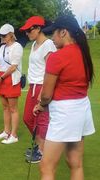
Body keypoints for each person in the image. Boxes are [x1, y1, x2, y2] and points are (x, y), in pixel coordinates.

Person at [33, 15, 95, 180]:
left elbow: (46, 95)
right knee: (75, 162)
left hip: (64, 113)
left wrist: (41, 105)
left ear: (63, 32)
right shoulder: (84, 53)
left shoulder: (57, 57)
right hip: (82, 109)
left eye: (53, 33)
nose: (51, 37)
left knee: (46, 166)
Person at [20, 16, 57, 163]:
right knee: (28, 118)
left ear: (38, 28)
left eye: (29, 30)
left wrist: (43, 93)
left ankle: (43, 151)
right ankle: (41, 145)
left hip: (42, 86)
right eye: (26, 31)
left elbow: (50, 71)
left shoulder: (48, 45)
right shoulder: (34, 44)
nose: (27, 33)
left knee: (42, 121)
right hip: (33, 86)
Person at [0, 24, 23, 144]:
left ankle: (14, 135)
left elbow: (14, 66)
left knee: (13, 108)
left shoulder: (17, 47)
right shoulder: (2, 48)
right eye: (1, 35)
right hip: (1, 77)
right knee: (5, 107)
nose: (2, 37)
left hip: (11, 78)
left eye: (4, 35)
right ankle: (6, 131)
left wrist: (1, 78)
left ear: (11, 34)